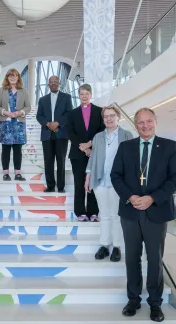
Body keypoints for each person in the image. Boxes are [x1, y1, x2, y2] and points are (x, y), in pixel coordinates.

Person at [110, 107, 176, 322]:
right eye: (140, 122)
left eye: (149, 121)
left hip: (157, 211)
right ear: (135, 124)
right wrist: (131, 197)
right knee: (131, 258)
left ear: (156, 122)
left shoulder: (169, 146)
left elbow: (175, 179)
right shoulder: (125, 147)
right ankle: (133, 300)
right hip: (130, 211)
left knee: (154, 259)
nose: (145, 126)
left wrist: (152, 198)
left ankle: (155, 303)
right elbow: (116, 175)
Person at [85, 106, 133, 262]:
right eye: (106, 117)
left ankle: (117, 247)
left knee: (116, 215)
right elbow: (92, 158)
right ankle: (105, 245)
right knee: (104, 215)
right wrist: (88, 178)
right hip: (100, 180)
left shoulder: (127, 135)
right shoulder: (98, 137)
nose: (109, 119)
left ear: (118, 117)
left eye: (112, 116)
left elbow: (132, 162)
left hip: (118, 182)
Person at [65, 84, 105, 221]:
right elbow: (69, 132)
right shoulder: (72, 113)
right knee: (79, 182)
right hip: (77, 153)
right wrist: (82, 147)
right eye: (81, 94)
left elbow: (102, 130)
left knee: (94, 182)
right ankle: (80, 212)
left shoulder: (100, 111)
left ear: (91, 94)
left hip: (95, 152)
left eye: (86, 93)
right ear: (79, 95)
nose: (84, 96)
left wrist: (89, 145)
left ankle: (93, 212)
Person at [36, 75, 73, 193]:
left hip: (61, 133)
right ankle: (50, 186)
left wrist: (58, 123)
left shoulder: (67, 97)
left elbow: (69, 113)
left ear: (59, 83)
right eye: (51, 82)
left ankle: (61, 187)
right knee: (48, 161)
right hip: (47, 134)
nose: (53, 83)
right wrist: (48, 124)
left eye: (55, 81)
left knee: (61, 161)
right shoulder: (42, 99)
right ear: (48, 84)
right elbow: (39, 115)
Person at [0, 68, 32, 181]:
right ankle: (5, 173)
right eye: (10, 76)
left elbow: (28, 107)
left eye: (14, 75)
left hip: (19, 123)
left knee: (17, 149)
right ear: (7, 78)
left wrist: (20, 112)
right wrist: (5, 112)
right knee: (6, 148)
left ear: (18, 77)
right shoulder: (2, 90)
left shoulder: (24, 91)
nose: (12, 77)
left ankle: (18, 173)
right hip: (5, 123)